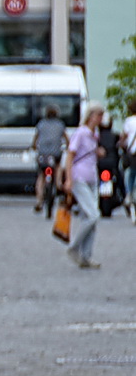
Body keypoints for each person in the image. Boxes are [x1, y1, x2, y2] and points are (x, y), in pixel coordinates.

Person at [60, 102, 106, 269]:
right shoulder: (81, 133)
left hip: (92, 178)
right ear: (90, 116)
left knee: (90, 219)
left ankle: (86, 257)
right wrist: (68, 179)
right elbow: (70, 156)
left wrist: (98, 152)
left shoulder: (95, 134)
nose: (101, 118)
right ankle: (74, 248)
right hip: (79, 177)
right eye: (98, 115)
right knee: (93, 215)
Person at [32, 104, 68, 213]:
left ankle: (39, 200)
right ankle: (58, 185)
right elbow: (66, 138)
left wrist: (34, 146)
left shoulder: (41, 124)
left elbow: (35, 138)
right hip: (55, 154)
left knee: (41, 176)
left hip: (43, 155)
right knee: (58, 169)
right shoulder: (60, 124)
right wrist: (67, 145)